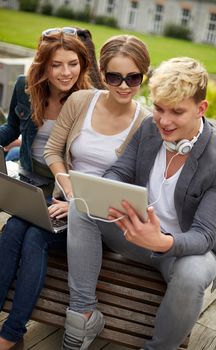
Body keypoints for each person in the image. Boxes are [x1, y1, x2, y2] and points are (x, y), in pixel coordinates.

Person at [65, 57, 216, 350]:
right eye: (158, 108)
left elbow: (204, 236)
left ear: (201, 108)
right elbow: (119, 171)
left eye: (177, 112)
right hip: (137, 234)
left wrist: (162, 242)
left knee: (192, 274)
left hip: (183, 252)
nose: (164, 121)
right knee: (82, 206)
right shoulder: (148, 128)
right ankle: (84, 313)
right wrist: (105, 192)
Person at [43, 34, 151, 349]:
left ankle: (80, 318)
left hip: (109, 214)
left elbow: (136, 185)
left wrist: (80, 204)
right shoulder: (80, 102)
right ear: (102, 73)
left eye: (133, 77)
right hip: (67, 199)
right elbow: (53, 151)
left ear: (144, 75)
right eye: (115, 76)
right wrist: (71, 194)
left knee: (55, 226)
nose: (123, 85)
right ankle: (13, 328)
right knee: (21, 232)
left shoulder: (144, 123)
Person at [0, 26, 103, 350]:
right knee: (14, 229)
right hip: (30, 183)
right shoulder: (25, 88)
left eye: (72, 63)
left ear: (83, 65)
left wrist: (76, 199)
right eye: (56, 64)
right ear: (43, 66)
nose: (65, 72)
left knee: (25, 233)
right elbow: (11, 128)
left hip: (65, 195)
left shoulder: (88, 102)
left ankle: (11, 333)